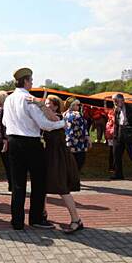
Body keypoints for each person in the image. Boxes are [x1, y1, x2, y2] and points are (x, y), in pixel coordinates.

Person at [2, 68, 66, 230]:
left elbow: (4, 122)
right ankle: (36, 218)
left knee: (18, 184)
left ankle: (17, 221)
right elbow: (44, 124)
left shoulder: (8, 99)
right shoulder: (28, 99)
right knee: (39, 181)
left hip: (14, 142)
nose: (32, 83)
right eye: (31, 80)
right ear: (25, 81)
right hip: (30, 142)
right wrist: (62, 123)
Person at [42, 95, 83, 234]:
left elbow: (53, 120)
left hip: (58, 156)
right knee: (43, 187)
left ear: (55, 106)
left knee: (62, 188)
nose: (45, 105)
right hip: (50, 155)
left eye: (48, 103)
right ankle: (42, 214)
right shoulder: (48, 117)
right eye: (45, 103)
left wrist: (39, 104)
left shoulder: (58, 116)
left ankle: (76, 219)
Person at [63, 97, 91, 171]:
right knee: (78, 163)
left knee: (70, 164)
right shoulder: (77, 114)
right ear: (72, 105)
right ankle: (74, 180)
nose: (79, 106)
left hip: (68, 141)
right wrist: (88, 140)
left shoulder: (64, 114)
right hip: (78, 143)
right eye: (78, 105)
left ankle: (70, 180)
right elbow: (83, 129)